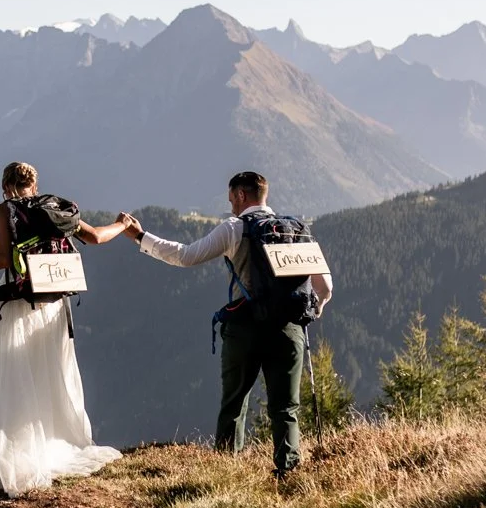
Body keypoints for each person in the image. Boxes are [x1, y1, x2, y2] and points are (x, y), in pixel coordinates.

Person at [117, 171, 333, 474]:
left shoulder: (235, 228)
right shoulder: (296, 229)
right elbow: (325, 287)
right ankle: (288, 471)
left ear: (241, 195)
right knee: (286, 407)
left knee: (234, 403)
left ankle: (224, 471)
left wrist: (140, 237)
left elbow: (186, 256)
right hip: (289, 329)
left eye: (232, 198)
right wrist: (312, 311)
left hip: (245, 327)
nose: (231, 205)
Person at [0, 162, 133, 495]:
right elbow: (95, 237)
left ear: (6, 185)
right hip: (54, 305)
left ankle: (24, 459)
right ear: (34, 185)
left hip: (20, 303)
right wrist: (122, 224)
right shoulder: (54, 209)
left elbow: (6, 260)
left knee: (17, 378)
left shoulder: (4, 209)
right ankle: (58, 445)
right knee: (53, 373)